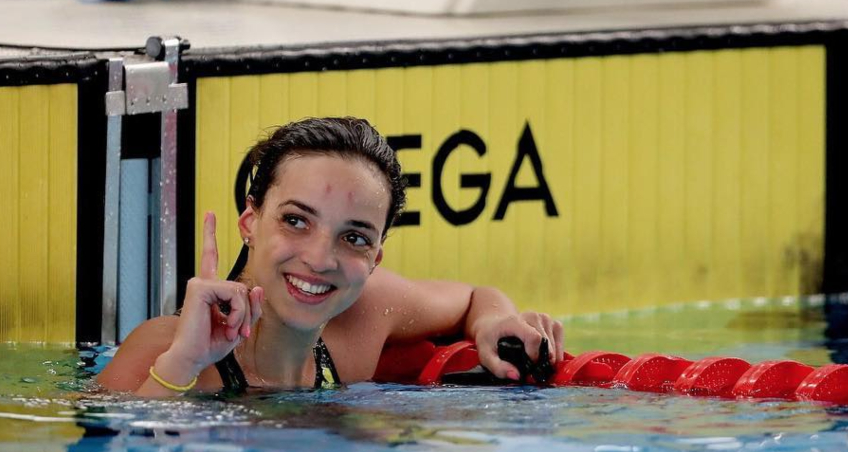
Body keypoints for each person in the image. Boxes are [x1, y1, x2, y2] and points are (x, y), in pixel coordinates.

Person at [97, 117, 564, 397]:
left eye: (354, 237)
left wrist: (492, 322)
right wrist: (182, 364)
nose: (321, 259)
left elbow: (475, 298)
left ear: (376, 256)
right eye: (296, 221)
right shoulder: (164, 347)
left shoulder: (365, 315)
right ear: (249, 223)